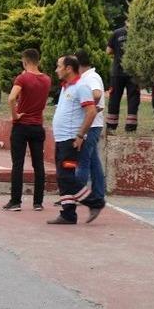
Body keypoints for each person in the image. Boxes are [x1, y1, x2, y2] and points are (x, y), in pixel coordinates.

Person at [48, 55, 105, 225]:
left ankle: (95, 202)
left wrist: (80, 135)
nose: (56, 69)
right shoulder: (67, 87)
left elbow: (91, 112)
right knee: (63, 176)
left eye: (59, 66)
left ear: (68, 68)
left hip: (71, 140)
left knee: (67, 177)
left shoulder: (81, 87)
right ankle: (68, 214)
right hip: (62, 139)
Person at [3, 49, 51, 212]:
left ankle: (15, 201)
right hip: (37, 126)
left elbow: (11, 98)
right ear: (38, 60)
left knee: (18, 164)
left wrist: (15, 115)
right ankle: (38, 202)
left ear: (25, 61)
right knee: (39, 165)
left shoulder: (22, 78)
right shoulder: (46, 79)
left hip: (21, 125)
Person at [74, 50, 106, 205]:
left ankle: (77, 194)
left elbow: (97, 93)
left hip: (91, 125)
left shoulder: (91, 77)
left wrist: (83, 102)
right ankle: (98, 194)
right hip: (92, 124)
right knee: (93, 162)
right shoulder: (85, 77)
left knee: (83, 161)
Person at [106, 21, 140, 132]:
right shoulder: (139, 32)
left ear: (125, 21)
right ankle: (131, 127)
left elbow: (108, 51)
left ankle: (111, 126)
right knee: (133, 98)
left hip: (117, 72)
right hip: (133, 72)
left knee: (114, 98)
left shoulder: (116, 33)